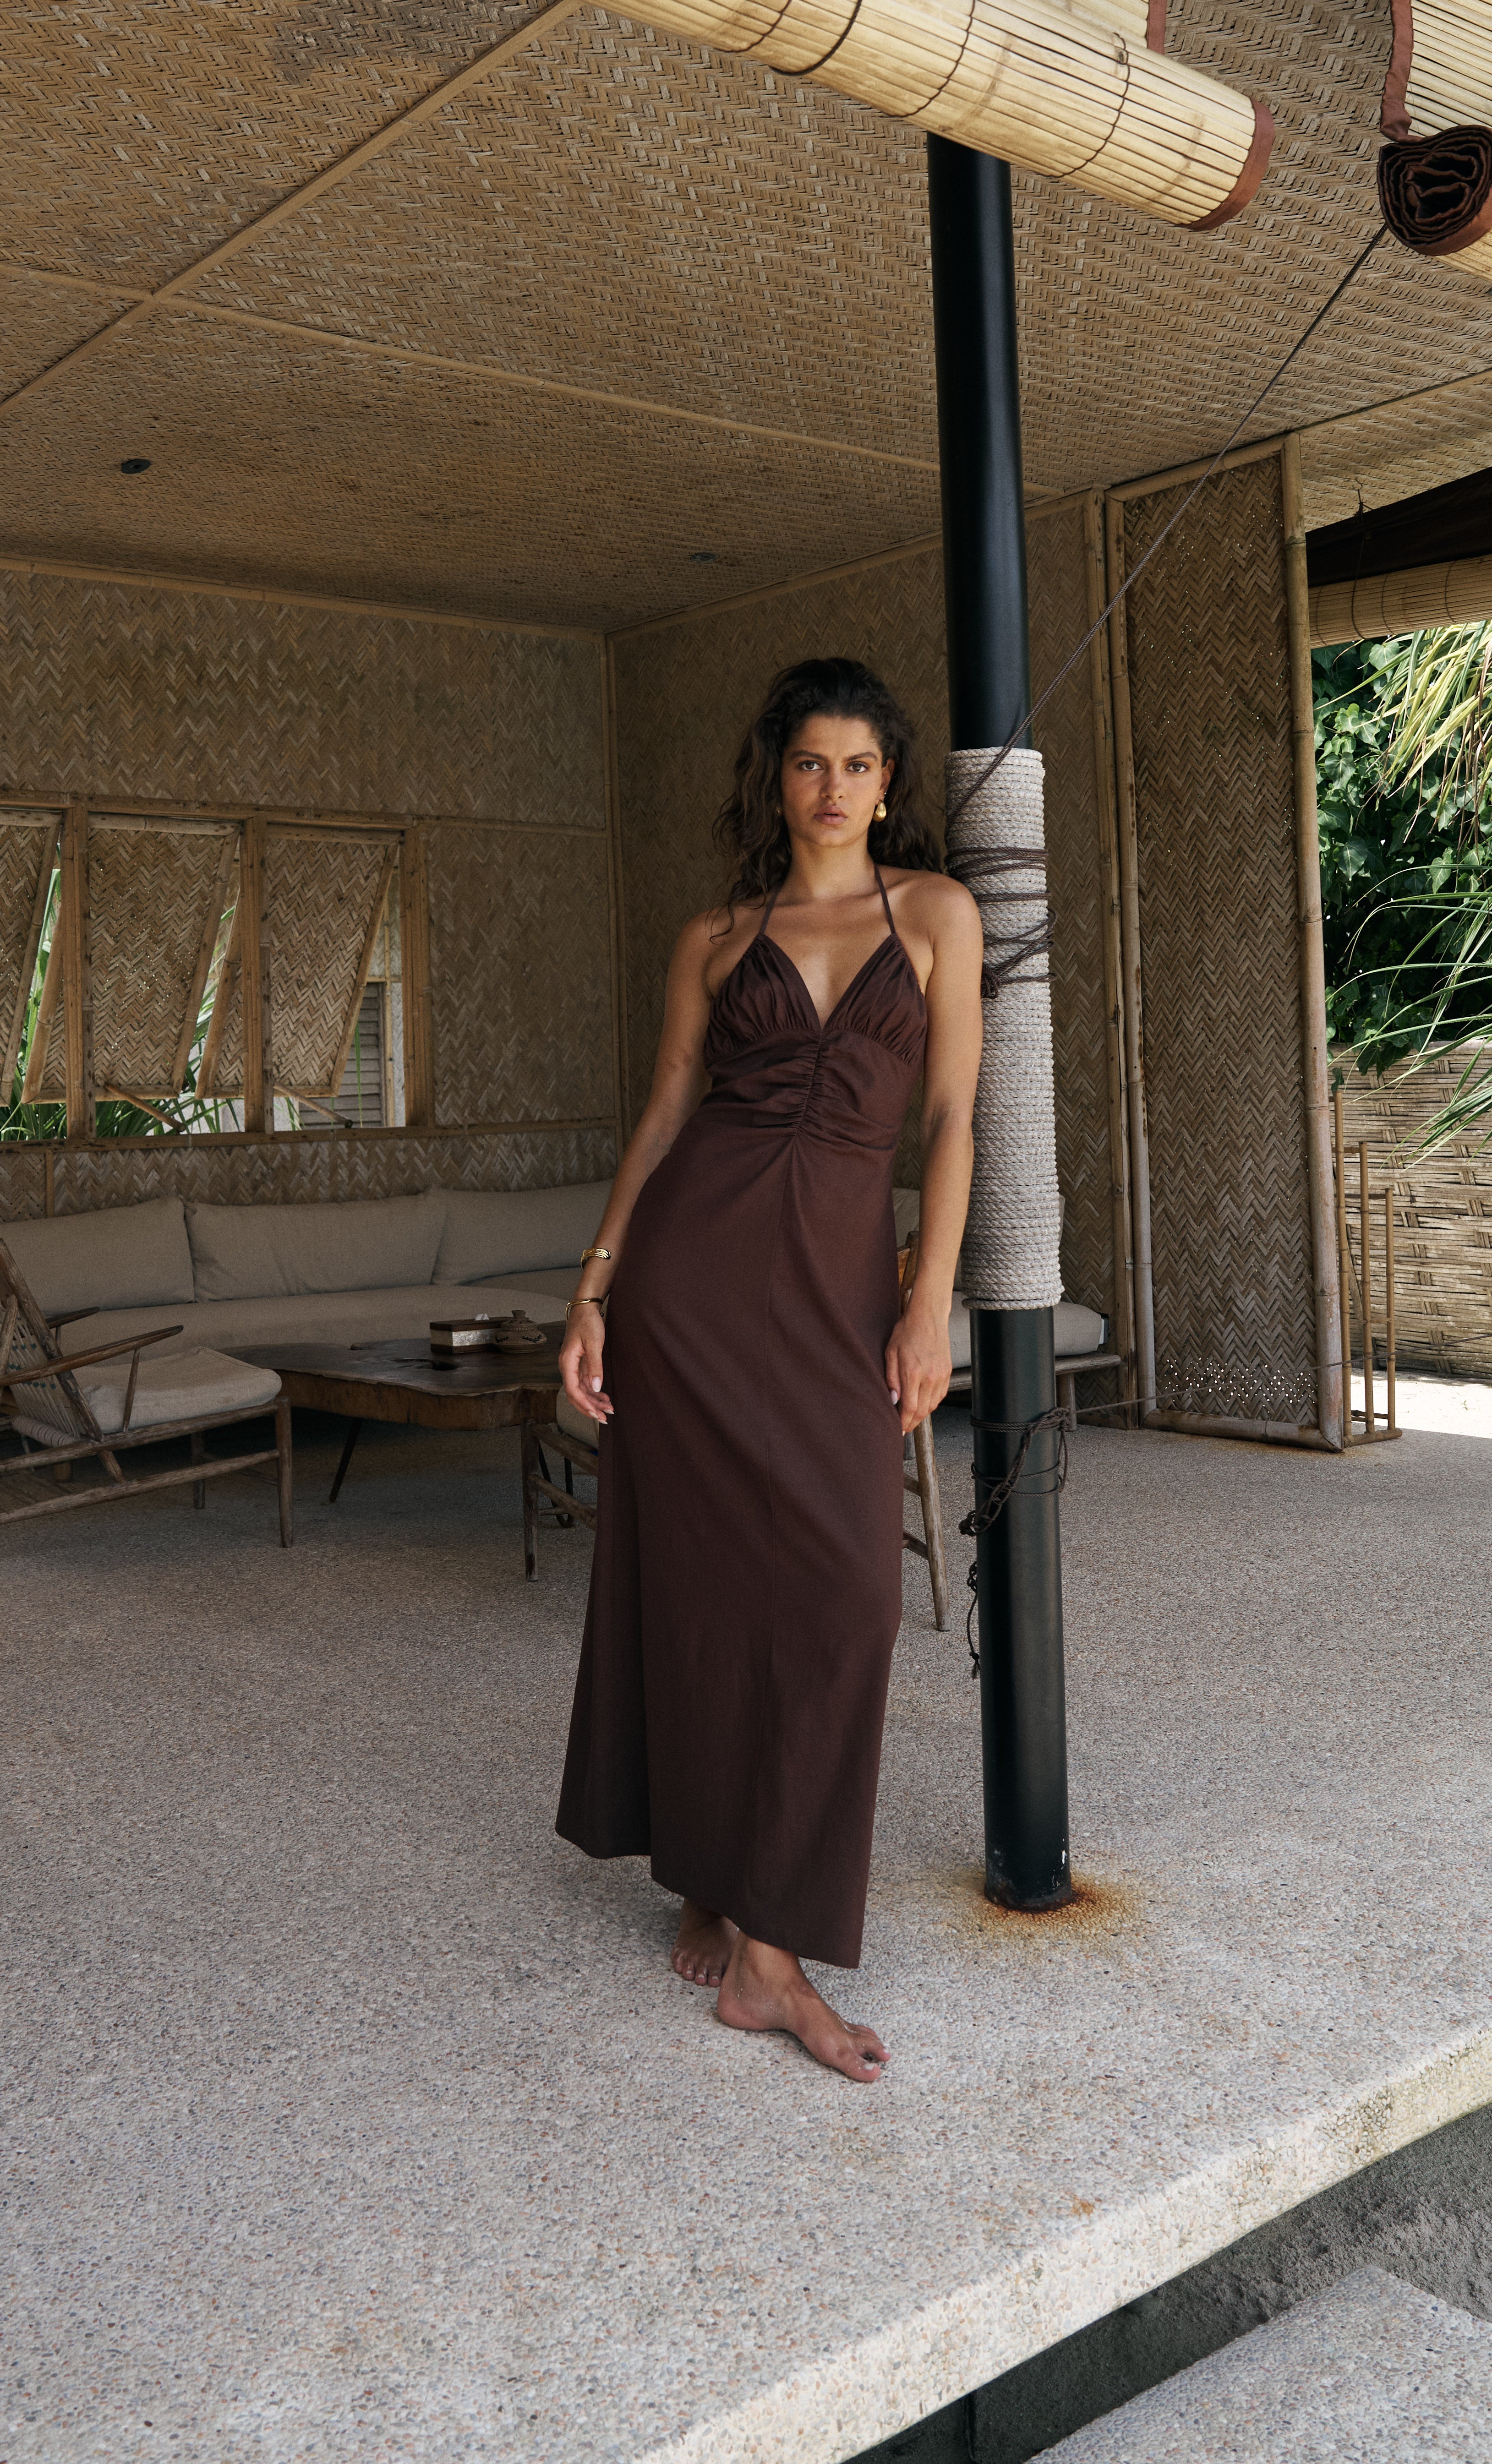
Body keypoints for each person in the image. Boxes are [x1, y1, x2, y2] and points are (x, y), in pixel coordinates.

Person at [555, 657, 983, 2082]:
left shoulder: (934, 916)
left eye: (862, 765)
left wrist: (932, 1303)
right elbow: (671, 1104)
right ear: (778, 777)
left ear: (891, 783)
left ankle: (749, 1894)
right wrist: (600, 1286)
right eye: (813, 763)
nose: (836, 789)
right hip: (693, 1285)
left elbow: (954, 1126)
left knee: (848, 1599)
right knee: (699, 1585)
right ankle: (747, 1931)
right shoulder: (714, 935)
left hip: (838, 1299)